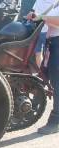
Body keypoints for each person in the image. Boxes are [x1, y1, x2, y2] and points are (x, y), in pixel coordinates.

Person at [34, 3, 59, 134]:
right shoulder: (56, 4)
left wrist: (42, 17)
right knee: (43, 77)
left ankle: (55, 122)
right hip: (52, 45)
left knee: (57, 84)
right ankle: (30, 110)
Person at [27, 0, 54, 68]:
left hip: (48, 31)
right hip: (36, 29)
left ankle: (45, 74)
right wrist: (31, 13)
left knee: (46, 54)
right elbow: (33, 9)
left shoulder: (56, 2)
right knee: (37, 52)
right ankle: (41, 71)